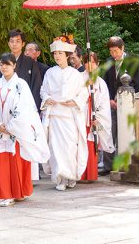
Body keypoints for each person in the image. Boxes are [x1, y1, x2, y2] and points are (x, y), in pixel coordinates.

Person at [0, 53, 50, 207]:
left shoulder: (21, 84)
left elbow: (25, 108)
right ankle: (6, 194)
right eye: (1, 64)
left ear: (14, 66)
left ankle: (19, 192)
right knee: (2, 162)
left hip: (15, 131)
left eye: (7, 64)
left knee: (17, 161)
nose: (4, 67)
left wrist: (11, 126)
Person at [41, 39, 89, 191]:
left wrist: (74, 101)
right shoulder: (49, 72)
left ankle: (70, 176)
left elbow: (83, 93)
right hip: (55, 114)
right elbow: (43, 90)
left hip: (69, 115)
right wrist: (47, 98)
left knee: (69, 147)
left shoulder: (75, 74)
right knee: (55, 148)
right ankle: (60, 178)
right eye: (55, 53)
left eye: (60, 53)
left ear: (67, 55)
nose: (57, 56)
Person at [102, 36, 139, 174]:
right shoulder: (108, 62)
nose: (114, 54)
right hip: (111, 102)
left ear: (122, 48)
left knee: (126, 131)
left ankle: (126, 162)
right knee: (109, 132)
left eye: (116, 51)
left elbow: (136, 82)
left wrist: (121, 98)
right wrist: (110, 99)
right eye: (111, 51)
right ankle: (108, 166)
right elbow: (105, 83)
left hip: (127, 103)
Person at [81, 52, 115, 182]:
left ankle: (90, 174)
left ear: (97, 64)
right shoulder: (78, 78)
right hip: (81, 116)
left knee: (91, 144)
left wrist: (97, 116)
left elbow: (104, 103)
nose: (90, 65)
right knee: (80, 145)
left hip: (94, 118)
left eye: (93, 62)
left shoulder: (101, 83)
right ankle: (80, 173)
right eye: (87, 62)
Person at [0, 29, 42, 109]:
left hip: (25, 106)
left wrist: (34, 109)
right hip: (4, 105)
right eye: (12, 41)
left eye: (18, 41)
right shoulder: (2, 60)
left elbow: (36, 86)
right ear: (8, 44)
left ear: (23, 44)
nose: (14, 44)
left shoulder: (30, 62)